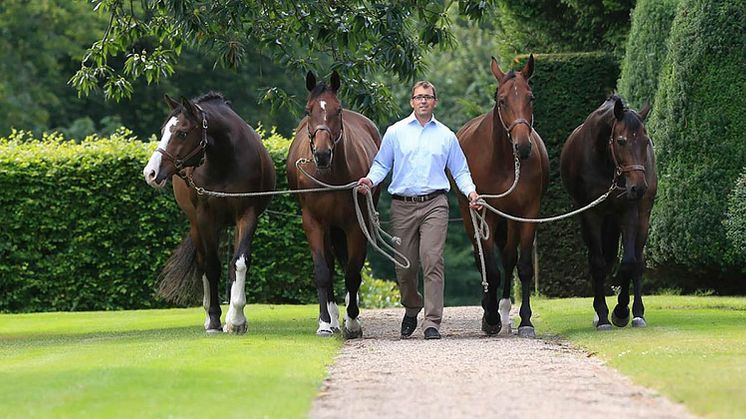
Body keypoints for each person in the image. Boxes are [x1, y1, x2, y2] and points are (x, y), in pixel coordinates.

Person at [358, 81, 481, 340]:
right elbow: (382, 164)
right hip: (402, 206)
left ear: (435, 101)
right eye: (418, 97)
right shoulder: (395, 132)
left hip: (435, 204)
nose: (423, 101)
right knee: (405, 266)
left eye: (428, 97)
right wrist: (370, 180)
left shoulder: (447, 136)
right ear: (412, 102)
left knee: (432, 260)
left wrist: (471, 192)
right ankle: (412, 306)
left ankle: (432, 322)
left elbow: (460, 170)